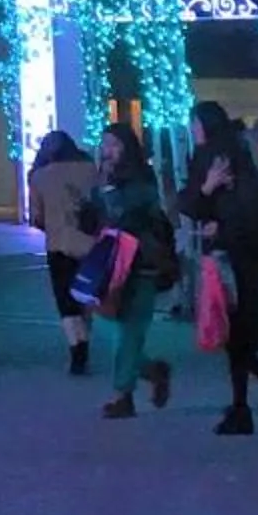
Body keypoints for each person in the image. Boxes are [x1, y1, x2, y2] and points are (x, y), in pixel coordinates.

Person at [179, 100, 258, 436]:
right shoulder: (240, 152)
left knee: (233, 334)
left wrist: (207, 192)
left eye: (195, 123)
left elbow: (190, 203)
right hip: (247, 256)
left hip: (231, 258)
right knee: (237, 336)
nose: (193, 129)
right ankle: (256, 399)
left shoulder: (212, 156)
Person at [95, 123, 178, 420]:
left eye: (115, 145)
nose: (108, 151)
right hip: (112, 263)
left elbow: (125, 213)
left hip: (140, 263)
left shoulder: (141, 179)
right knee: (110, 325)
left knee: (129, 332)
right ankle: (151, 370)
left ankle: (122, 394)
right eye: (105, 144)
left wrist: (106, 190)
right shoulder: (105, 179)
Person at [27, 129, 102, 376]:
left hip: (59, 245)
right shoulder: (90, 169)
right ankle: (86, 341)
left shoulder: (39, 177)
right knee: (86, 294)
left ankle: (76, 349)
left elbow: (37, 218)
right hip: (91, 243)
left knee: (65, 300)